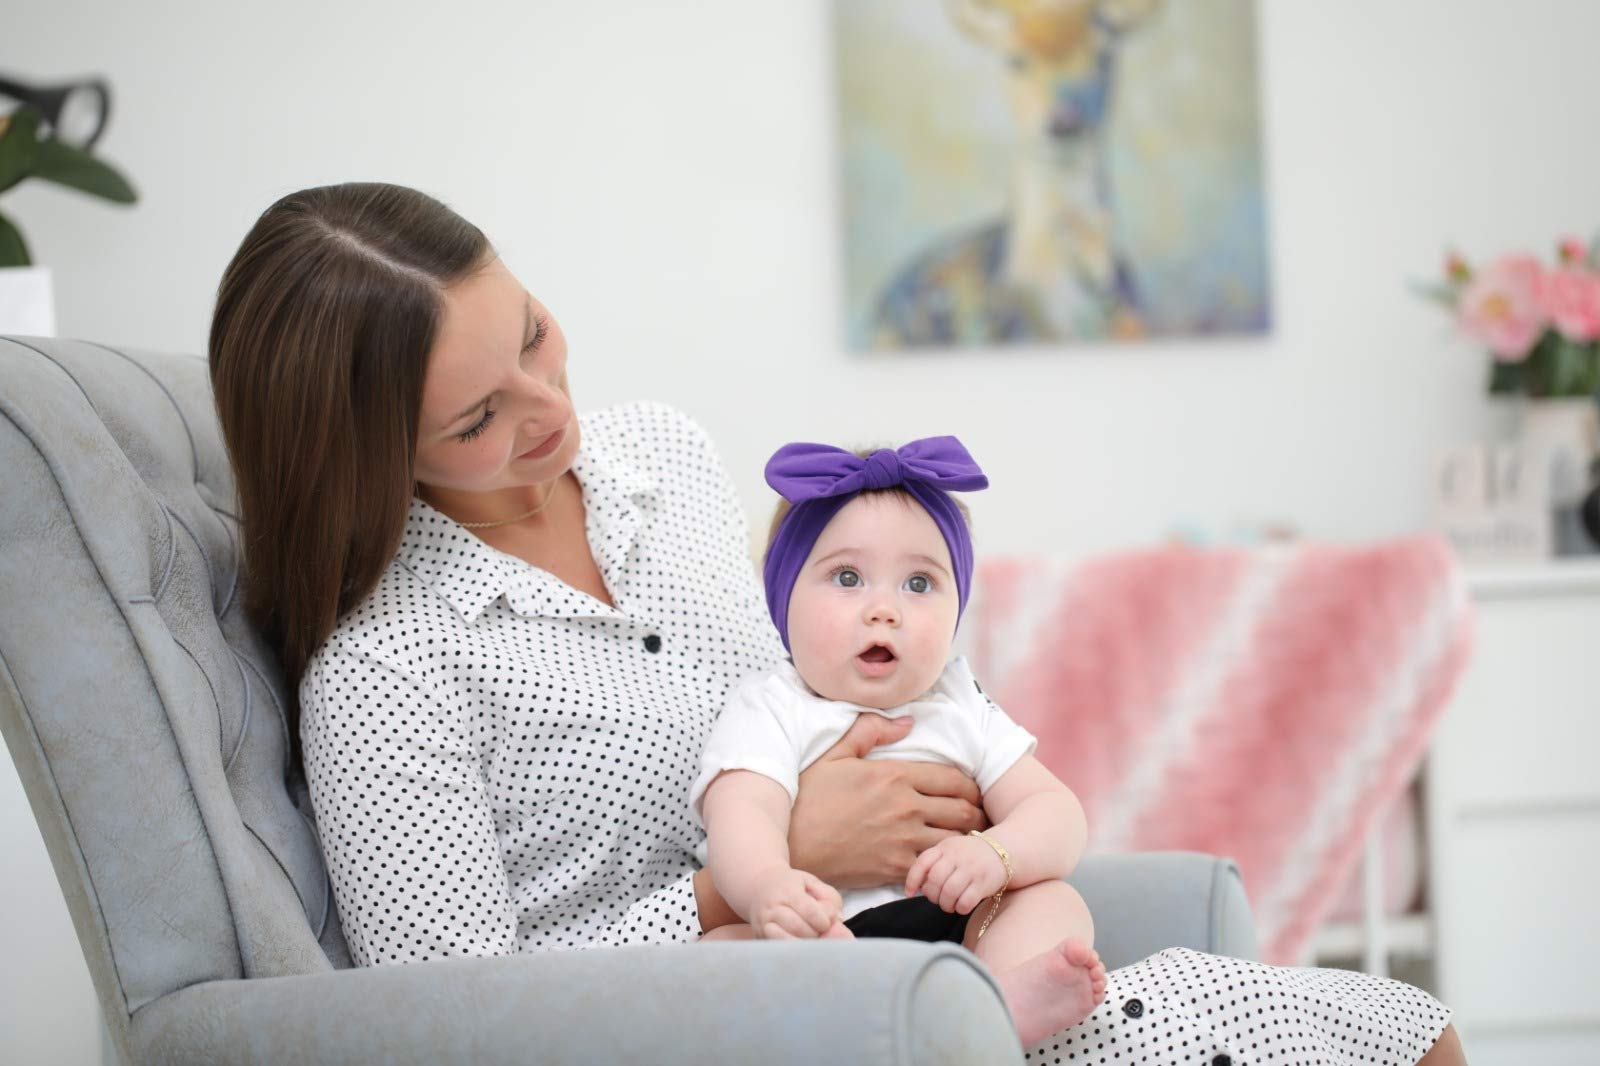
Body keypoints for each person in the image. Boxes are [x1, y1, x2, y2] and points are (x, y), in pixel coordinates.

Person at [208, 181, 1467, 1065]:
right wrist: (742, 875)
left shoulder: (663, 461)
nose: (548, 408)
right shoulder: (385, 669)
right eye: (479, 418)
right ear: (369, 454)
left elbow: (824, 669)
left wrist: (955, 780)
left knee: (1398, 1026)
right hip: (720, 1026)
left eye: (533, 334)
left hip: (905, 961)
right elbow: (445, 1023)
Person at [692, 436, 1110, 1047]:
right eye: (848, 577)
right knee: (720, 948)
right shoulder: (772, 705)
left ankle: (997, 1006)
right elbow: (742, 811)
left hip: (960, 929)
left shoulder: (961, 702)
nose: (884, 609)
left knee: (1053, 901)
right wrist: (766, 886)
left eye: (919, 583)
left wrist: (996, 855)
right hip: (827, 928)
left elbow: (1056, 812)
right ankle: (862, 1011)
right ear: (784, 600)